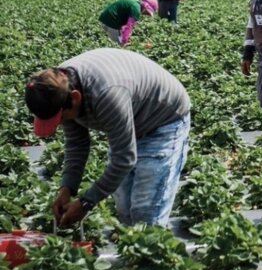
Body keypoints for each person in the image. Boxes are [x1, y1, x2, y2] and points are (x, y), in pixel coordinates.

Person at [24, 48, 191, 227]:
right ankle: (135, 248)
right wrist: (66, 189)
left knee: (146, 213)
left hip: (163, 120)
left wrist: (86, 203)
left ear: (75, 97)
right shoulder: (57, 89)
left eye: (62, 118)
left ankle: (150, 252)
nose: (62, 122)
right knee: (125, 209)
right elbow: (76, 144)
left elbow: (124, 159)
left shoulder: (107, 94)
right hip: (128, 119)